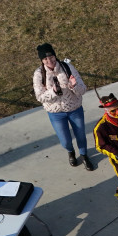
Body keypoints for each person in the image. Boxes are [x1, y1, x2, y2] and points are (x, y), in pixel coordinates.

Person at [32, 43, 94, 171]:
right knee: (65, 140)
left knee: (81, 135)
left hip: (74, 109)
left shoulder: (67, 68)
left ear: (55, 55)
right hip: (56, 113)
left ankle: (84, 155)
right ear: (42, 60)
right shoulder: (39, 74)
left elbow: (82, 90)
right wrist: (53, 91)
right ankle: (70, 152)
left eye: (51, 57)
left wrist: (73, 86)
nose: (50, 61)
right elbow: (40, 97)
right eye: (45, 59)